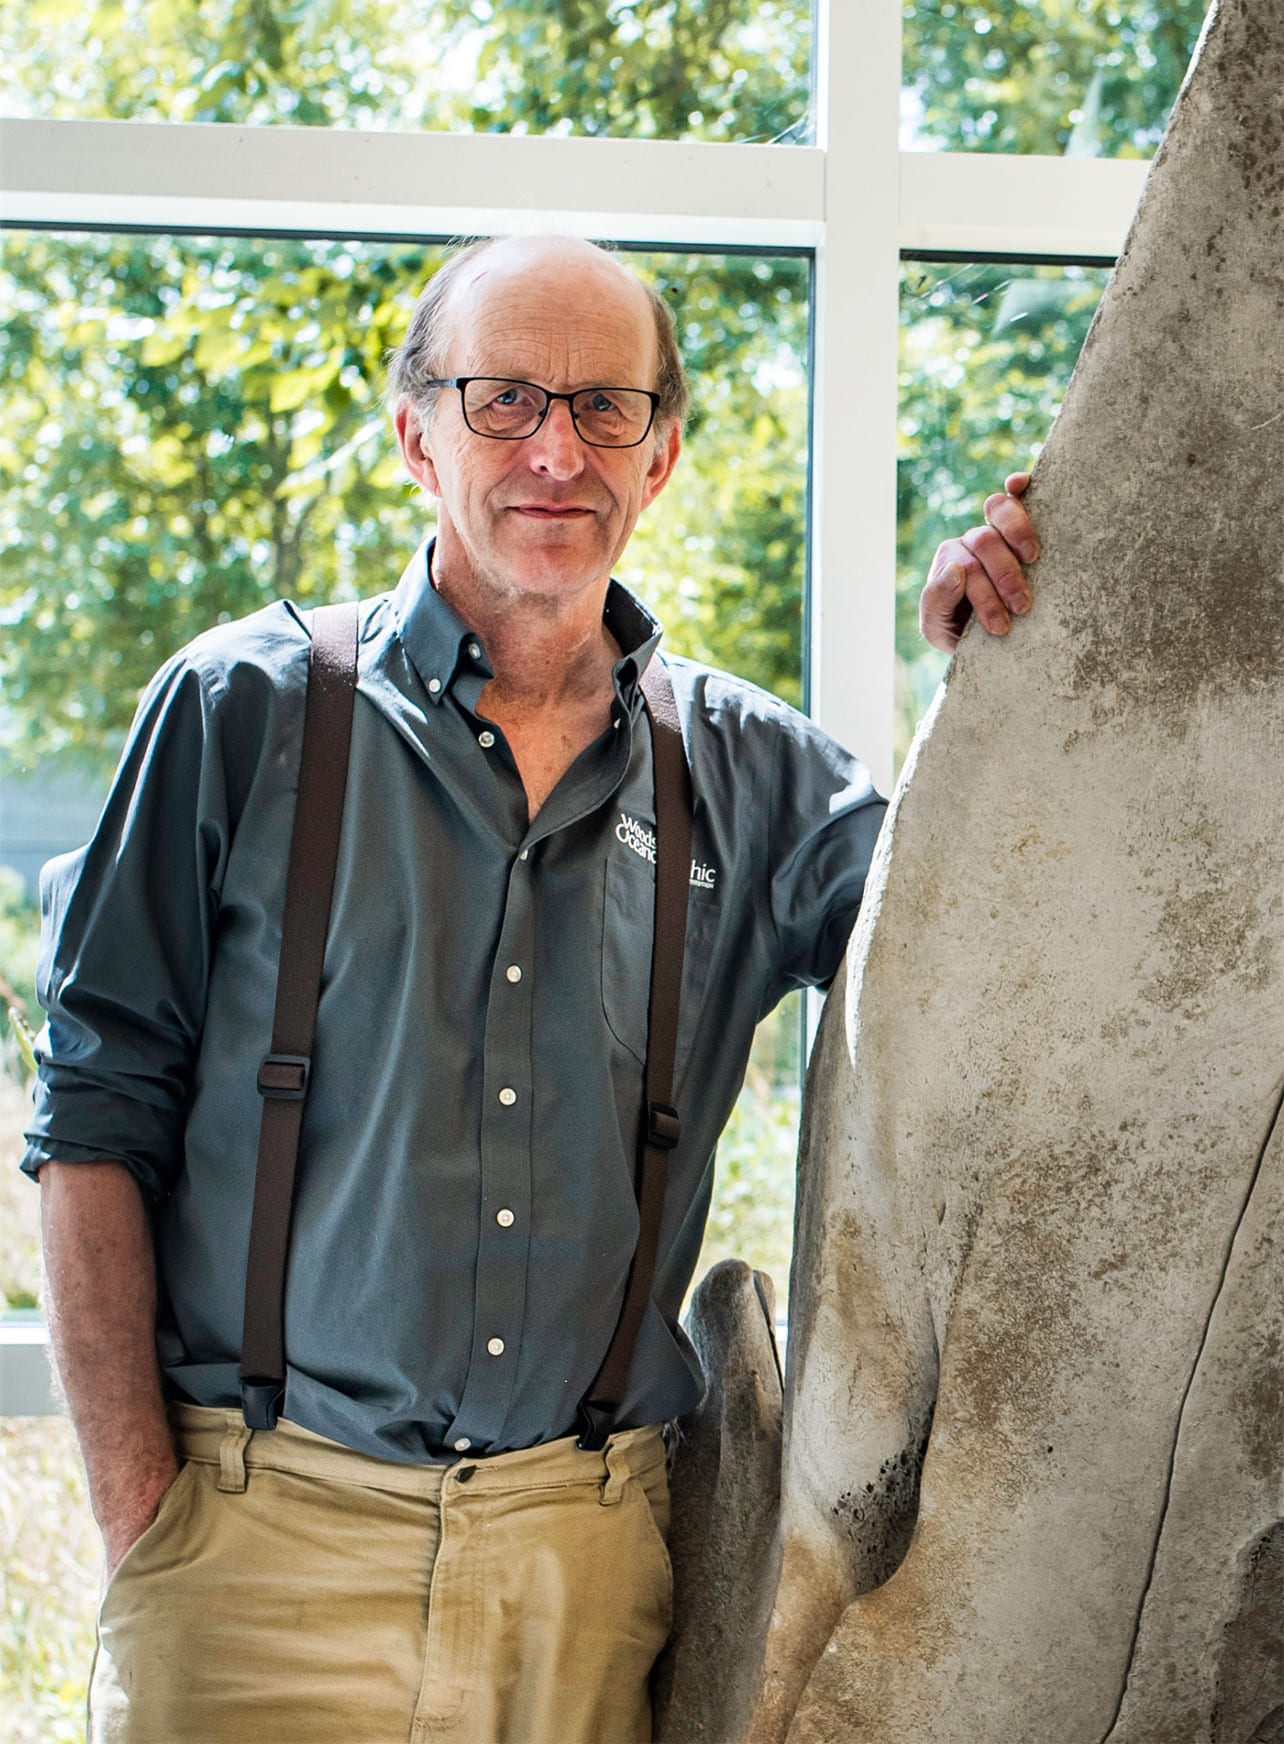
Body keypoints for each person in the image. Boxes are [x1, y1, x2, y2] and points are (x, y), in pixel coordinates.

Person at [23, 234, 1038, 1744]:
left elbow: (981, 956)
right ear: (415, 435)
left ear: (665, 452)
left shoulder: (757, 779)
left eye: (603, 407)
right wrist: (150, 1527)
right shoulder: (239, 715)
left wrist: (1013, 669)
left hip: (589, 1568)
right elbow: (91, 1129)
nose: (555, 450)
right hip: (253, 1561)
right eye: (501, 399)